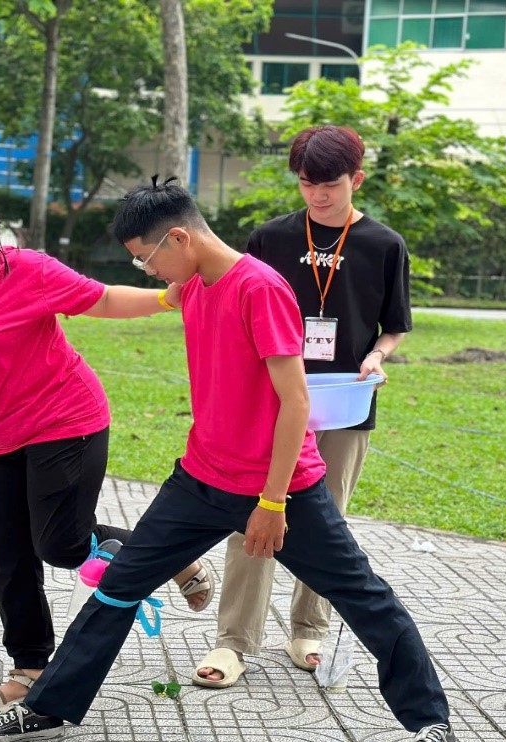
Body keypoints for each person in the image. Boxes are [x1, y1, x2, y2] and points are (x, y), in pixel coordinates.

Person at [0, 179, 456, 742]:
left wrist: (271, 503)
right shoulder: (192, 283)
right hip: (198, 479)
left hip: (283, 488)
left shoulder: (261, 288)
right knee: (117, 589)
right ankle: (48, 707)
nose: (146, 269)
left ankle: (432, 723)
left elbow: (295, 403)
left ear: (179, 236)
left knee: (363, 598)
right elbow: (124, 301)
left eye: (147, 256)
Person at [0, 180, 214, 717]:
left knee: (59, 545)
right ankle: (30, 667)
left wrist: (164, 297)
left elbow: (98, 297)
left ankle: (170, 557)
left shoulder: (24, 269)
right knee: (7, 558)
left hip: (65, 420)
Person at [194, 125, 411, 689]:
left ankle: (307, 627)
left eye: (330, 186)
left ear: (356, 180)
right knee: (254, 513)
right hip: (269, 402)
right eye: (308, 184)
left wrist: (376, 356)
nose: (318, 196)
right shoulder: (270, 237)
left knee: (324, 521)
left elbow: (395, 328)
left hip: (343, 402)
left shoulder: (384, 245)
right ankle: (234, 640)